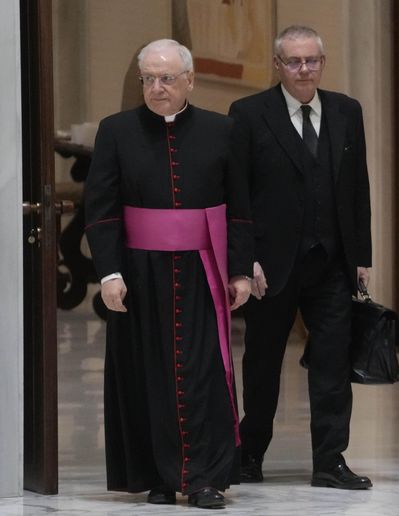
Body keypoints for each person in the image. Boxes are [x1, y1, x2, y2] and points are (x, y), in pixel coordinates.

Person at [84, 39, 253, 509]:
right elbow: (100, 210)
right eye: (148, 79)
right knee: (145, 374)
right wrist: (110, 272)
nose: (156, 88)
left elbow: (239, 209)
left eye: (166, 78)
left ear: (189, 81)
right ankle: (157, 476)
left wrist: (239, 271)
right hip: (138, 276)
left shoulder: (223, 131)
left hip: (202, 272)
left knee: (202, 373)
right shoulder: (116, 131)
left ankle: (203, 478)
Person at [228, 25, 373, 489]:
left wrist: (362, 255)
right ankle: (249, 454)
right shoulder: (249, 114)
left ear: (322, 63)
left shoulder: (347, 111)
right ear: (278, 65)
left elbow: (358, 188)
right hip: (270, 267)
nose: (304, 69)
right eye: (294, 61)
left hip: (331, 262)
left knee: (332, 365)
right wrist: (244, 259)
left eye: (312, 60)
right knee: (263, 363)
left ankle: (329, 462)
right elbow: (238, 195)